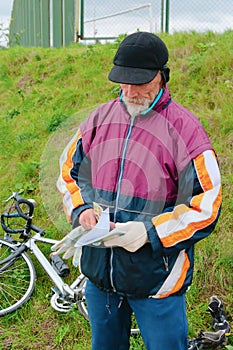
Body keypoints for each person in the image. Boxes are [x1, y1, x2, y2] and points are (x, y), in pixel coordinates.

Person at [54, 32, 222, 350]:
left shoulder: (186, 132)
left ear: (162, 76)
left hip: (158, 281)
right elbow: (69, 173)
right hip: (100, 278)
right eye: (123, 81)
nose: (130, 91)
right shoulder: (98, 120)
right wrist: (81, 210)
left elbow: (207, 205)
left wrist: (147, 233)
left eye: (140, 81)